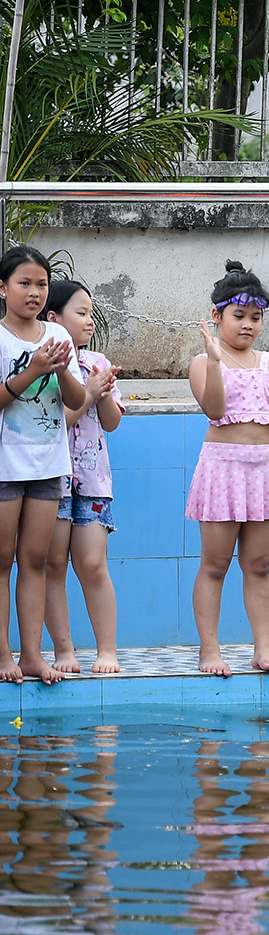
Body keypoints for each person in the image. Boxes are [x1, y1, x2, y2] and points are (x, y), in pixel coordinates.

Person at [186, 262, 269, 677]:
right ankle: (210, 650)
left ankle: (263, 650)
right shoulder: (201, 361)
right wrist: (212, 360)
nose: (247, 325)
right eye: (238, 316)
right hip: (222, 468)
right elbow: (215, 409)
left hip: (262, 469)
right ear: (217, 316)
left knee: (259, 565)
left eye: (255, 318)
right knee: (215, 564)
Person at [0, 247, 87, 684]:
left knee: (35, 559)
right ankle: (3, 656)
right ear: (2, 288)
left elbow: (75, 400)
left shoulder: (60, 338)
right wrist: (31, 372)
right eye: (24, 283)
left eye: (41, 284)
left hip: (48, 465)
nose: (34, 293)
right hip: (4, 467)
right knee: (2, 559)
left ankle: (32, 655)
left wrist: (60, 367)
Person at [43, 280, 122, 675]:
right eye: (81, 312)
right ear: (54, 319)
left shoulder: (98, 362)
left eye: (91, 313)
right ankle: (64, 650)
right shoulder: (42, 364)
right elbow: (57, 424)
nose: (89, 321)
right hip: (51, 480)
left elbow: (111, 423)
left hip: (92, 482)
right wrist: (88, 393)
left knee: (92, 564)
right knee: (53, 565)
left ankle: (107, 650)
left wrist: (103, 392)